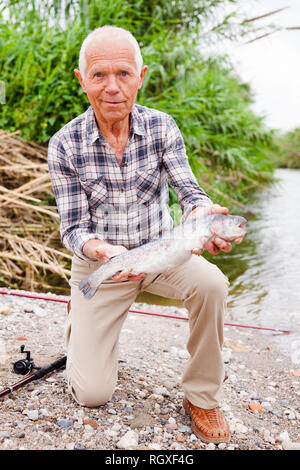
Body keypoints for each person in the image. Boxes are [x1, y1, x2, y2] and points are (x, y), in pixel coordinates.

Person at [48, 25, 244, 444]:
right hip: (102, 264)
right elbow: (73, 228)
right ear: (82, 81)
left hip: (163, 252)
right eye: (99, 75)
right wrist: (101, 250)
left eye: (124, 73)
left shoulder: (162, 127)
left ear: (142, 76)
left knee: (212, 284)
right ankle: (80, 324)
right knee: (91, 394)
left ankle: (202, 396)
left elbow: (190, 192)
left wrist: (202, 214)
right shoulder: (64, 144)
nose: (112, 87)